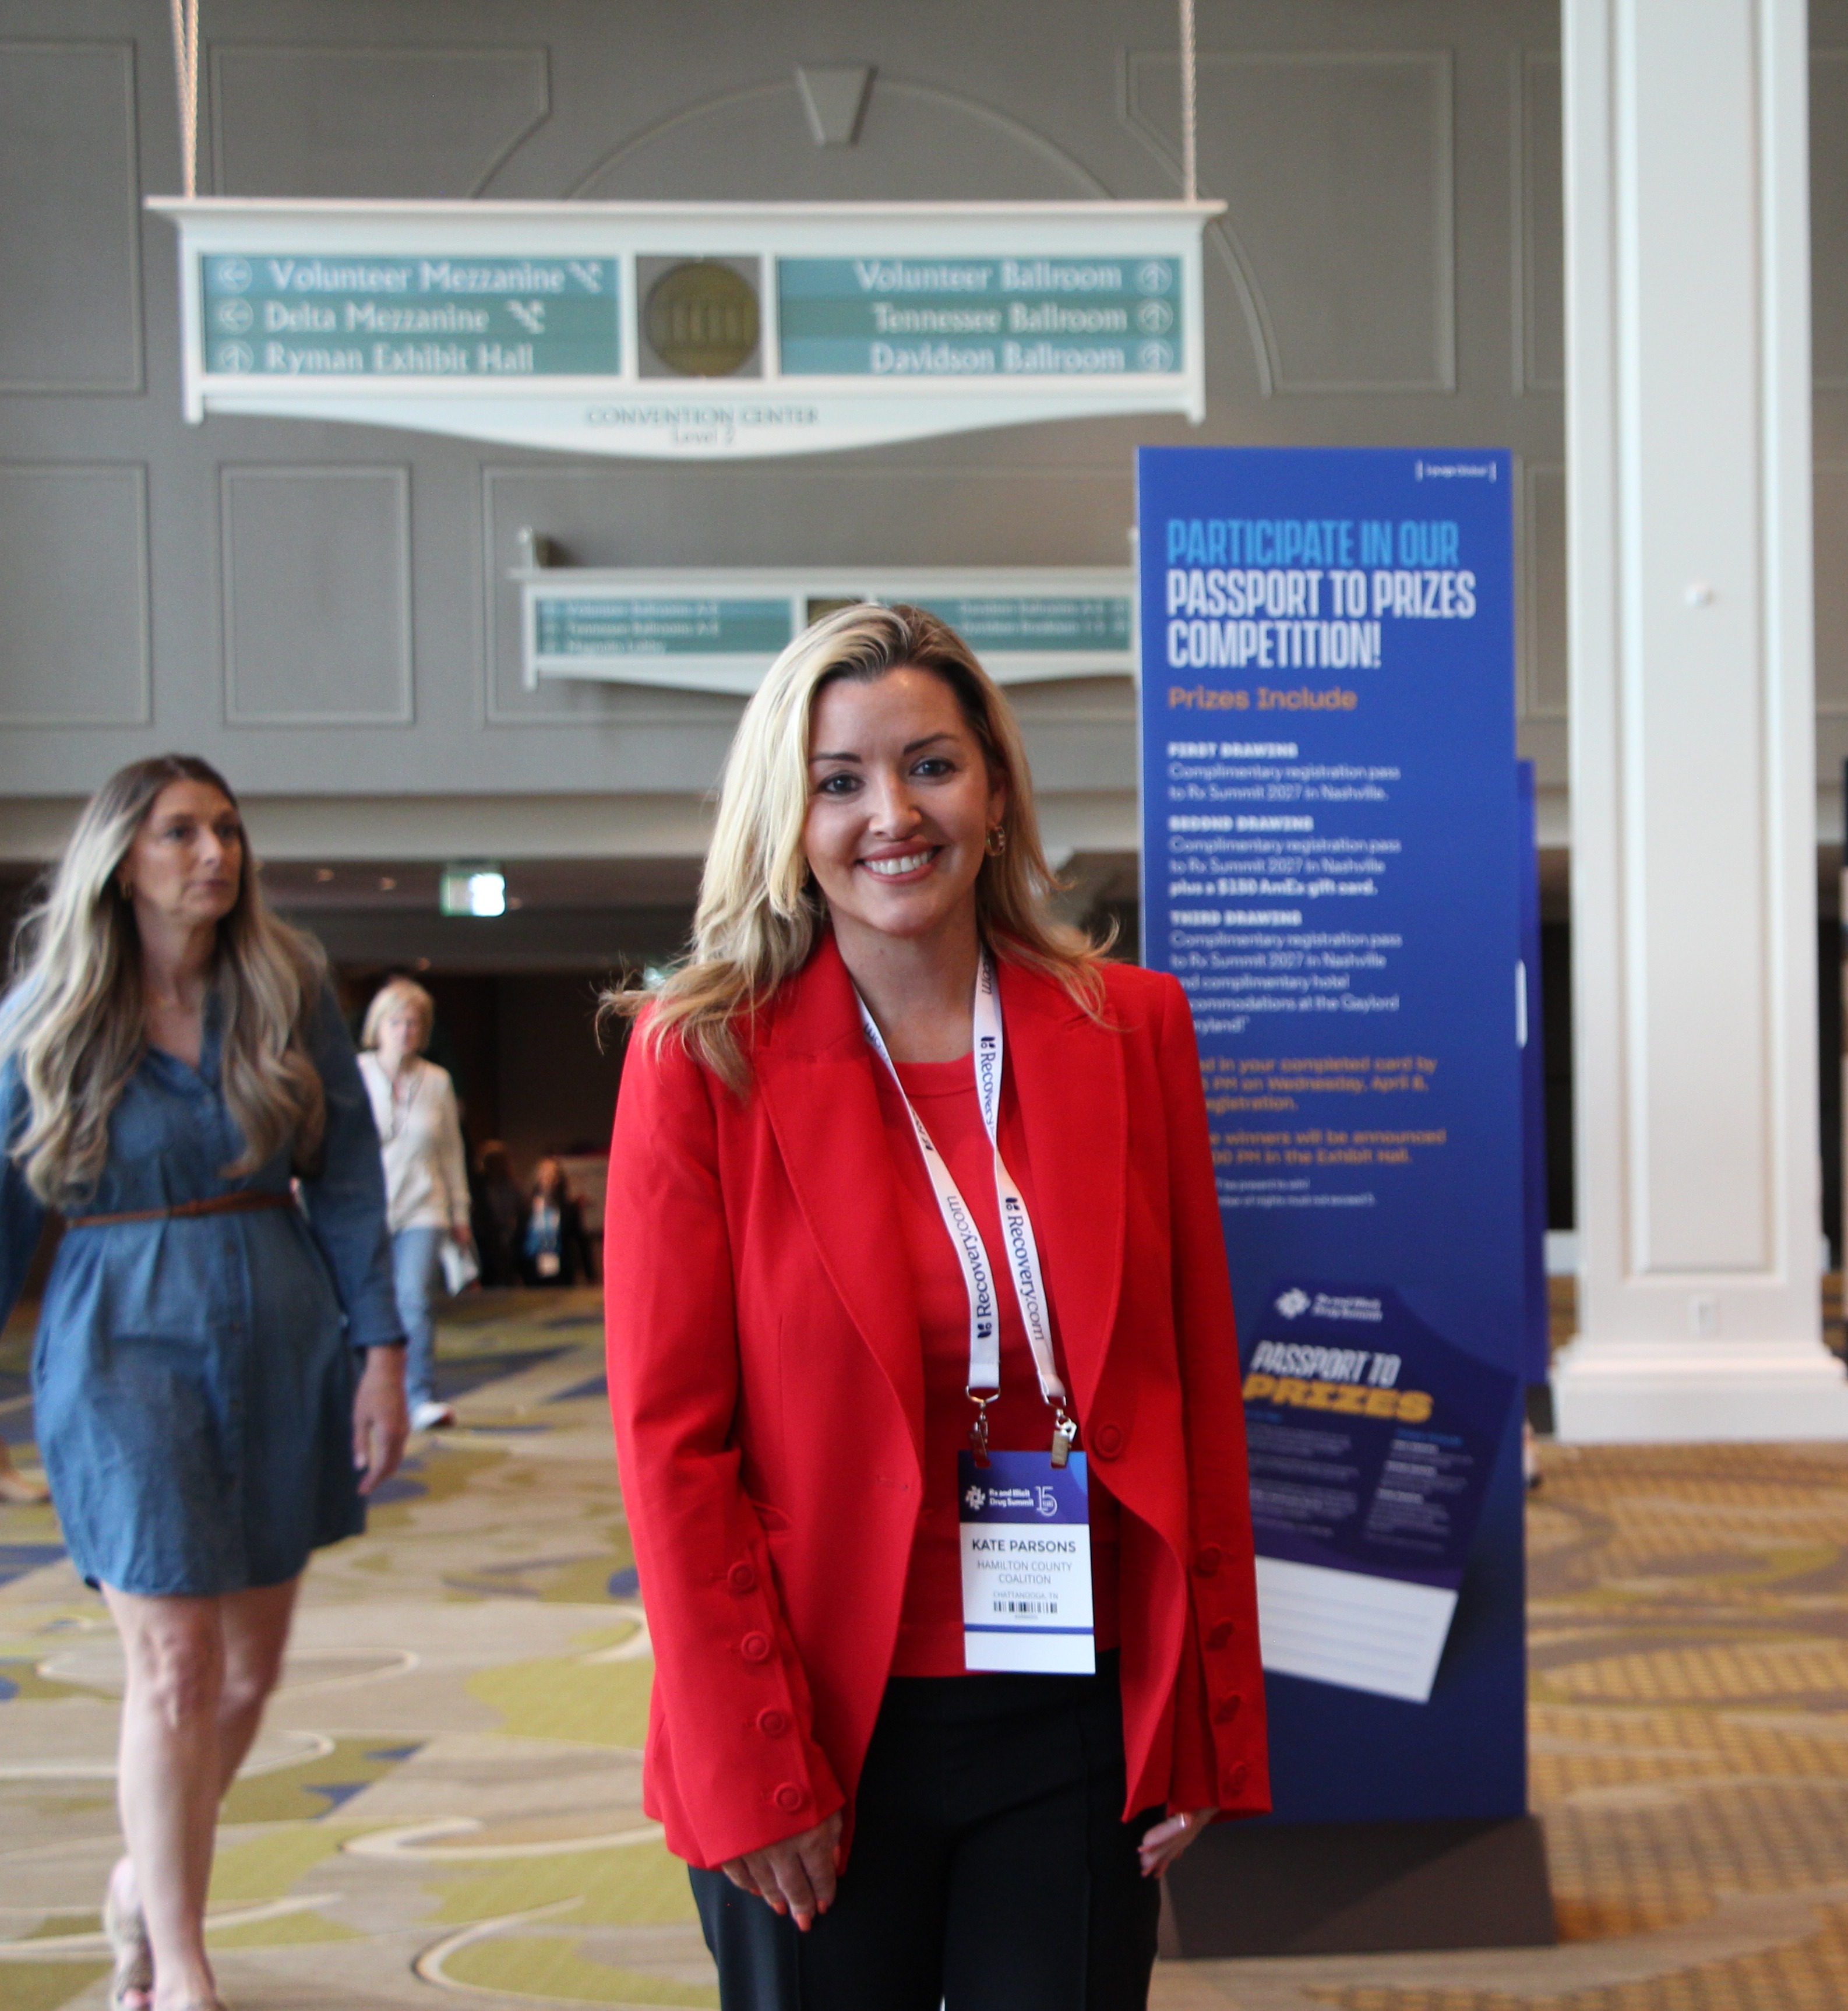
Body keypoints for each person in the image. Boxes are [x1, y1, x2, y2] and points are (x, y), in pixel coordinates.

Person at [604, 605, 1268, 2011]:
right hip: (818, 1719)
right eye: (840, 780)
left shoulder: (1129, 1030)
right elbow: (673, 1450)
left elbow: (1194, 1387)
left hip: (1071, 1709)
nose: (890, 815)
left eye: (931, 766)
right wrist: (754, 1762)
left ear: (998, 789)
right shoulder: (701, 1058)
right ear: (789, 817)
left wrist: (1201, 1715)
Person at [0, 753, 407, 2011]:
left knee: (247, 1672)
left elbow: (342, 1177)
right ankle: (180, 1964)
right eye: (181, 833)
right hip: (121, 1334)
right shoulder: (49, 1015)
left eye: (225, 829)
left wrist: (381, 1347)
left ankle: (142, 1882)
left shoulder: (286, 984)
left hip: (278, 1321)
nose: (213, 854)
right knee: (173, 1660)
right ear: (124, 859)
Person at [356, 979, 471, 1431]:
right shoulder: (356, 1074)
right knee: (365, 1301)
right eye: (396, 1021)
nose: (405, 1030)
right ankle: (364, 1393)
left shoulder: (437, 1082)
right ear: (378, 1027)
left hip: (425, 1208)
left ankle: (420, 1395)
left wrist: (460, 1212)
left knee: (414, 1299)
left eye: (414, 1023)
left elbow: (451, 1151)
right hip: (369, 1207)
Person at [520, 1156, 595, 1287]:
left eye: (553, 1177)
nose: (550, 1181)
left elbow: (581, 1240)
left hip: (562, 1267)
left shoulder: (569, 1208)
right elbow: (519, 1238)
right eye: (545, 1176)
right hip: (533, 1267)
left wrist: (590, 1273)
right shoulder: (528, 1208)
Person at [472, 1140, 524, 1287]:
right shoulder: (478, 1188)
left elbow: (522, 1213)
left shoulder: (512, 1187)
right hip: (483, 1242)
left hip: (507, 1241)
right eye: (492, 1160)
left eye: (499, 1160)